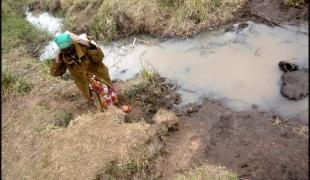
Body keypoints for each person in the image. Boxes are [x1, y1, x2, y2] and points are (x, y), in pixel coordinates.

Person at [50, 32, 122, 111]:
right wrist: (57, 62)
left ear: (72, 43)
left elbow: (99, 58)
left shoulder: (83, 47)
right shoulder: (63, 57)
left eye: (69, 48)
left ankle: (116, 112)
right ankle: (109, 115)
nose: (68, 51)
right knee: (98, 103)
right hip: (86, 85)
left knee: (110, 97)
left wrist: (89, 46)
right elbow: (55, 73)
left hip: (99, 77)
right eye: (64, 50)